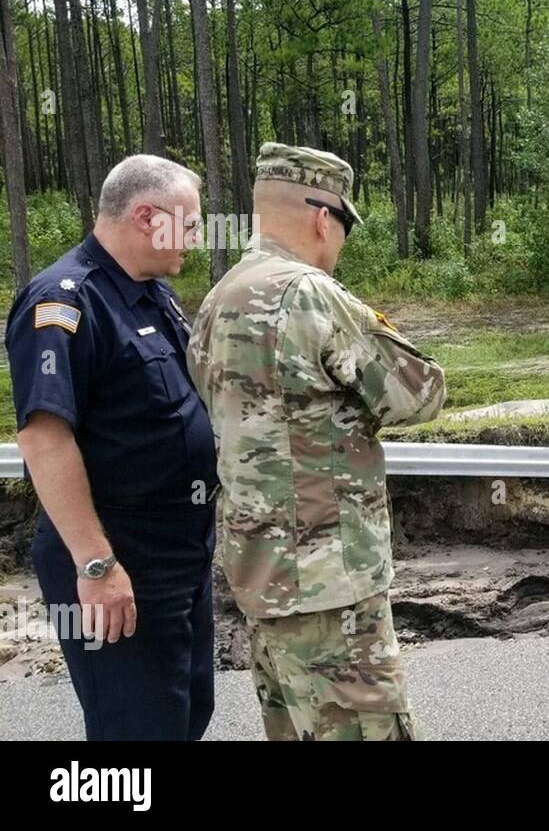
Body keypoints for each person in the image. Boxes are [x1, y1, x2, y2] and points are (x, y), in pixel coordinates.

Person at [186, 143, 446, 741]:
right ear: (322, 217)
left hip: (261, 575)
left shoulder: (217, 300)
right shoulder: (309, 293)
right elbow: (420, 392)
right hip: (329, 581)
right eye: (345, 225)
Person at [5, 154, 218, 740]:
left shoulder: (151, 293)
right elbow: (44, 437)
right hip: (120, 554)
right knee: (136, 735)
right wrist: (97, 566)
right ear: (148, 216)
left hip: (180, 551)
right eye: (191, 225)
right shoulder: (64, 303)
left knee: (184, 714)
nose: (196, 240)